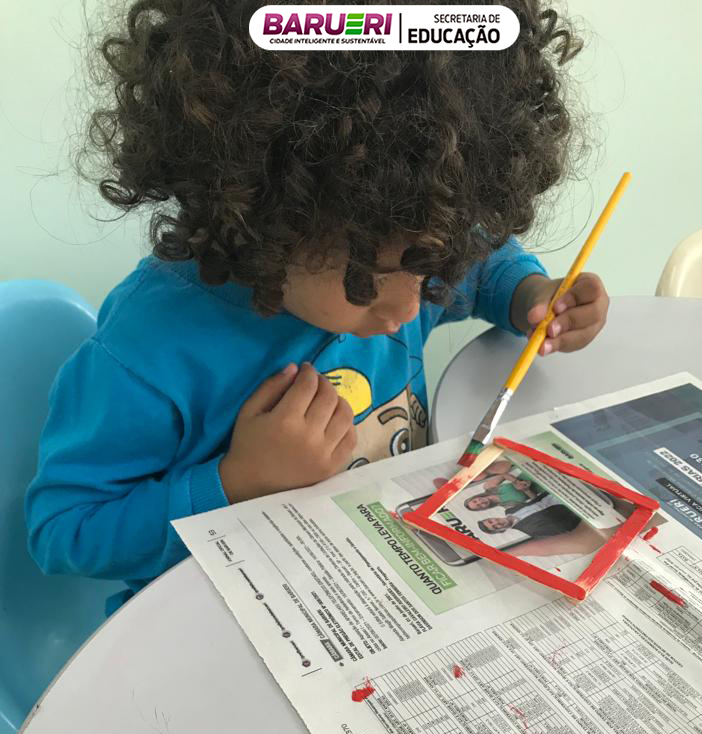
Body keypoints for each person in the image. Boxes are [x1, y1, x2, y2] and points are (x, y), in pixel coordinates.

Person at [26, 0, 609, 614]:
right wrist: (236, 482)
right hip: (211, 617)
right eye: (370, 278)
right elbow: (64, 532)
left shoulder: (406, 244)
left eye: (433, 264)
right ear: (267, 218)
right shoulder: (146, 350)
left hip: (380, 584)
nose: (411, 309)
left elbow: (484, 261)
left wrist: (529, 295)